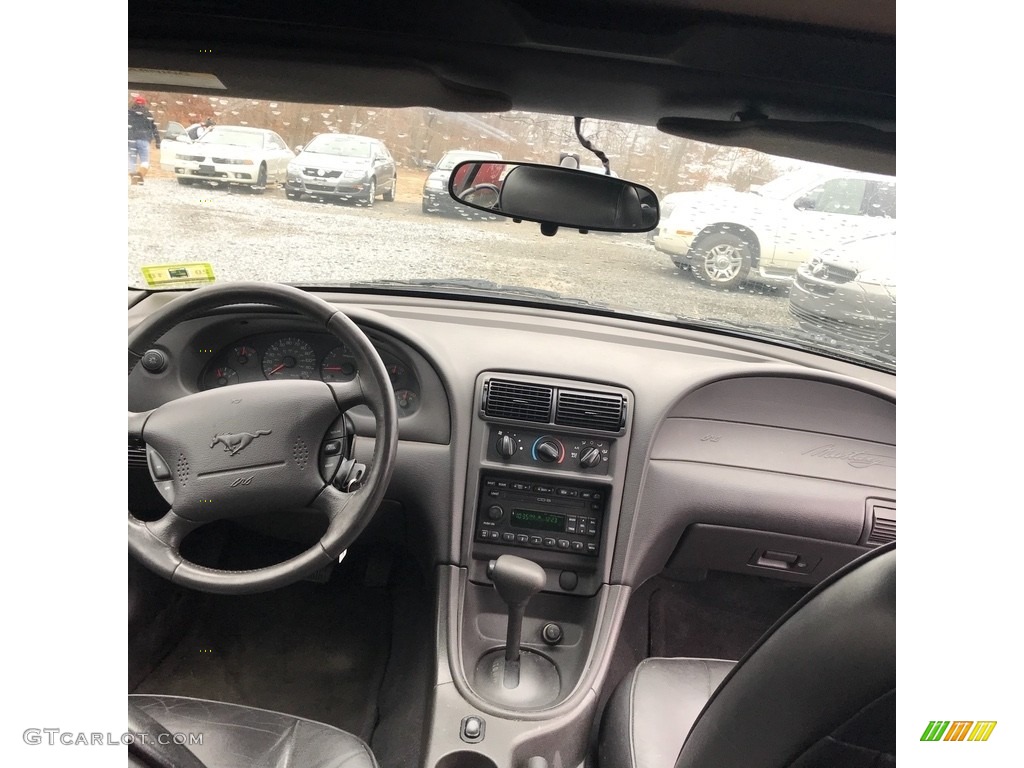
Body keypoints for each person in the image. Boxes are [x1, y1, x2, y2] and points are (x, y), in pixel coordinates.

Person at [128, 96, 161, 185]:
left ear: (134, 103)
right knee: (145, 161)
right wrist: (158, 141)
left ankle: (134, 179)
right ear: (144, 103)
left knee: (131, 161)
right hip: (144, 140)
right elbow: (154, 128)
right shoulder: (148, 114)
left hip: (130, 140)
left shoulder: (128, 113)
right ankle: (140, 175)